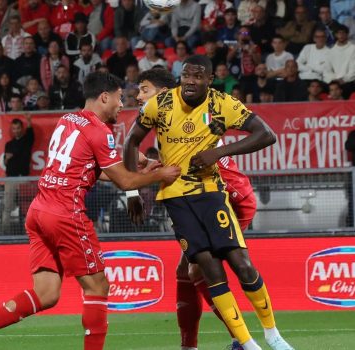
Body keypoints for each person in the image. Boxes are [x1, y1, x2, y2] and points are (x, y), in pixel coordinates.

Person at [0, 71, 181, 350]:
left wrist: (139, 169)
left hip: (39, 211)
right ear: (104, 97)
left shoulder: (68, 120)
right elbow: (124, 182)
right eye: (119, 98)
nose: (122, 104)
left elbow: (85, 170)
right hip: (65, 212)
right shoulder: (100, 130)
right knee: (98, 287)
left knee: (47, 293)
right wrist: (161, 175)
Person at [124, 56, 294, 350]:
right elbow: (129, 143)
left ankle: (272, 336)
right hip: (178, 201)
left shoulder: (219, 105)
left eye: (145, 89)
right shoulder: (160, 108)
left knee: (235, 264)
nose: (139, 96)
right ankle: (241, 342)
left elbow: (265, 135)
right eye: (186, 75)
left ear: (209, 79)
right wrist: (132, 189)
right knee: (200, 269)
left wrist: (216, 153)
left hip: (220, 196)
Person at [0, 114, 34, 234]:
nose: (16, 130)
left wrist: (29, 121)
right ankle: (5, 231)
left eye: (18, 128)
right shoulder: (8, 144)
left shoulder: (27, 140)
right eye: (14, 128)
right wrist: (7, 159)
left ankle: (30, 232)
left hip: (24, 178)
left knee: (28, 207)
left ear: (21, 128)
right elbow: (5, 162)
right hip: (11, 179)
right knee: (7, 206)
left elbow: (30, 132)